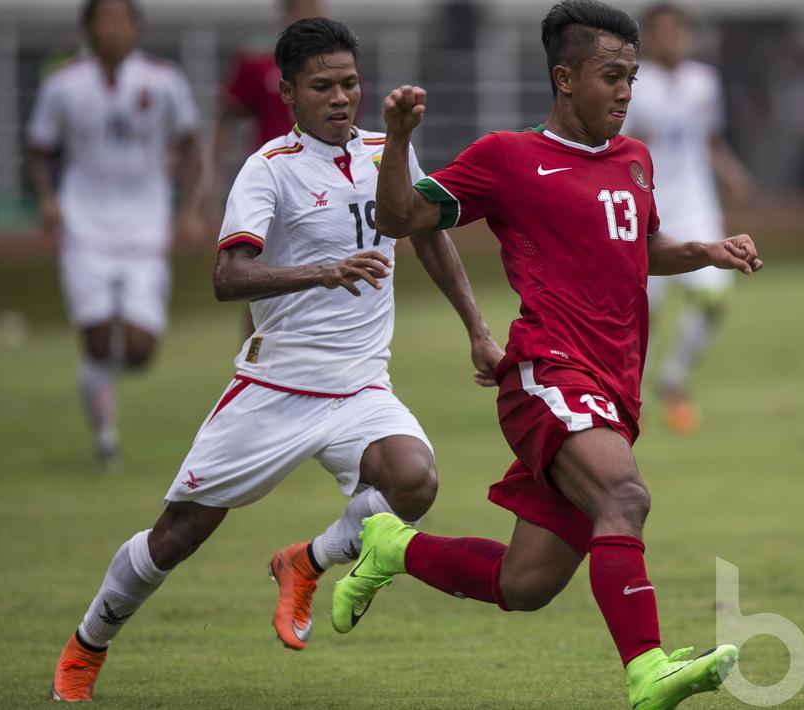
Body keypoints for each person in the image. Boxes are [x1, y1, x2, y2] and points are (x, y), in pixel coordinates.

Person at [49, 17, 503, 702]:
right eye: (322, 86)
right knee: (177, 536)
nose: (340, 96)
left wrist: (475, 325)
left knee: (413, 482)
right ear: (288, 92)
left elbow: (426, 235)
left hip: (359, 386)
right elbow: (226, 277)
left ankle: (306, 562)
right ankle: (87, 645)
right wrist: (318, 272)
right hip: (275, 384)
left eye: (349, 82)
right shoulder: (268, 169)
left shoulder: (388, 150)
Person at [331, 2, 762, 708]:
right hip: (547, 373)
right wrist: (402, 142)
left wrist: (704, 250)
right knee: (624, 497)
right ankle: (646, 670)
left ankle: (388, 547)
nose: (625, 91)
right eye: (610, 76)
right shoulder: (507, 158)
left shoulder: (635, 160)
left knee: (523, 585)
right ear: (564, 79)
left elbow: (638, 248)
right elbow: (399, 219)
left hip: (613, 388)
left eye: (630, 76)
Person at [26, 0, 205, 466]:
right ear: (87, 28)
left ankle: (94, 377)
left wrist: (188, 209)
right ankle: (105, 436)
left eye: (123, 19)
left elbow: (189, 146)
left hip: (146, 224)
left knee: (141, 350)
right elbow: (38, 149)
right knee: (99, 337)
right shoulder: (63, 83)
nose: (114, 28)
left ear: (136, 27)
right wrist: (47, 196)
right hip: (84, 224)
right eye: (104, 19)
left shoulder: (163, 80)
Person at [622, 2, 754, 434]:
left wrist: (730, 171)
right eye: (660, 32)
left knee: (714, 298)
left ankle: (673, 379)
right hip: (653, 212)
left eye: (676, 31)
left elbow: (711, 138)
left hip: (698, 209)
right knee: (643, 315)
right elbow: (621, 147)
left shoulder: (704, 81)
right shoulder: (634, 85)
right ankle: (627, 397)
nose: (670, 39)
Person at [208, 0, 328, 339]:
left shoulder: (337, 61)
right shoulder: (257, 58)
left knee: (325, 261)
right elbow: (225, 119)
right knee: (260, 273)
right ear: (286, 10)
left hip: (320, 181)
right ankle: (254, 359)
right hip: (272, 182)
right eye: (304, 5)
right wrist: (213, 177)